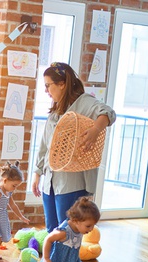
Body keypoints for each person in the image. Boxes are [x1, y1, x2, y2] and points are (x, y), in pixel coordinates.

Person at [32, 62, 115, 232]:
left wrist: (95, 130)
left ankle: (66, 259)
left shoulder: (84, 103)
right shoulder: (56, 111)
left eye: (48, 85)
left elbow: (108, 113)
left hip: (72, 183)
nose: (46, 91)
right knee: (52, 230)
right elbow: (44, 146)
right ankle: (52, 259)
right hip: (50, 180)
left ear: (62, 84)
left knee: (69, 231)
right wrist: (37, 174)